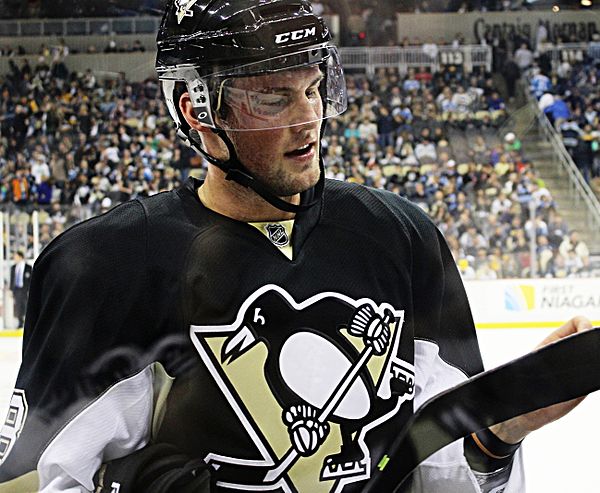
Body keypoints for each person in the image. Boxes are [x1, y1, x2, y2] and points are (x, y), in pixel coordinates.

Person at [0, 2, 593, 493]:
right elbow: (36, 480)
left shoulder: (401, 237)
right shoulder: (105, 266)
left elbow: (431, 464)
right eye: (274, 99)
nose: (309, 118)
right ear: (197, 110)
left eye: (313, 90)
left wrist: (496, 430)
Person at [9, 251, 32, 328]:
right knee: (18, 307)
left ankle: (28, 322)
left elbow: (31, 279)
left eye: (16, 256)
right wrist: (11, 290)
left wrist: (30, 290)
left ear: (20, 257)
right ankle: (20, 322)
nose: (14, 258)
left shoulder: (28, 267)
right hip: (17, 290)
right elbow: (12, 279)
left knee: (26, 306)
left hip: (25, 290)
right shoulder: (13, 267)